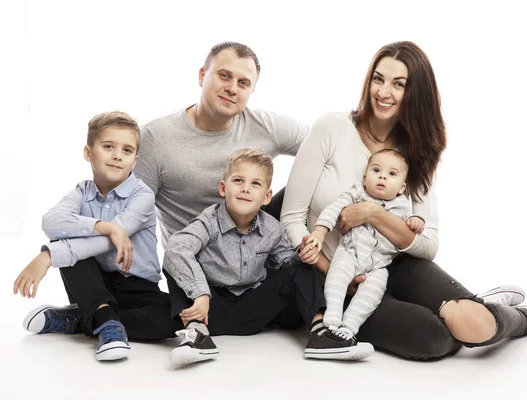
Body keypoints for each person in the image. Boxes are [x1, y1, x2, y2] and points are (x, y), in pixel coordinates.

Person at [280, 41, 527, 360]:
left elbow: (428, 244)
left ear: (415, 93)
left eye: (399, 84)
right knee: (436, 341)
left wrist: (373, 213)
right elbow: (292, 218)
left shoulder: (417, 151)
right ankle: (485, 304)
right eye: (378, 79)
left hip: (395, 267)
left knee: (474, 324)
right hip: (339, 276)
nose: (384, 92)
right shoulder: (331, 127)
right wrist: (331, 270)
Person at [13, 111, 179, 361]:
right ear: (88, 153)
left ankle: (83, 320)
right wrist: (108, 226)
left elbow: (105, 243)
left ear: (135, 160)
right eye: (108, 146)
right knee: (67, 244)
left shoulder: (142, 196)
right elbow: (51, 221)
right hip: (93, 285)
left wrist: (48, 257)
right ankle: (107, 326)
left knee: (174, 317)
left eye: (127, 150)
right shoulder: (82, 192)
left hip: (137, 288)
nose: (117, 155)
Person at [162, 148, 327, 367]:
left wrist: (303, 255)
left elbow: (287, 265)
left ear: (267, 196)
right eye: (238, 180)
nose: (245, 189)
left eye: (255, 184)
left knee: (302, 268)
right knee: (176, 264)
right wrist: (201, 293)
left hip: (254, 310)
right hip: (208, 311)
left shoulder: (273, 229)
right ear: (223, 188)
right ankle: (197, 336)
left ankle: (321, 332)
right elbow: (176, 248)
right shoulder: (209, 222)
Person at [134, 42, 308, 248]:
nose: (232, 89)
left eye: (243, 83)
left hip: (253, 252)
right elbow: (133, 214)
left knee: (318, 181)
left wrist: (357, 208)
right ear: (202, 76)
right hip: (193, 258)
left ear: (252, 90)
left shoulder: (266, 126)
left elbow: (330, 144)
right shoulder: (155, 138)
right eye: (224, 76)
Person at [303, 149, 422, 360]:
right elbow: (334, 209)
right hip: (350, 251)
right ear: (365, 178)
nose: (383, 176)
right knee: (337, 277)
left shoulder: (403, 205)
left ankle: (349, 327)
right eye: (377, 170)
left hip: (378, 264)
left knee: (374, 290)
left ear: (402, 187)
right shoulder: (356, 193)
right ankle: (332, 315)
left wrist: (416, 222)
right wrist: (320, 231)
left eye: (392, 174)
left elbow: (409, 228)